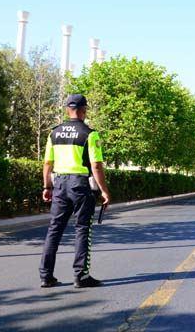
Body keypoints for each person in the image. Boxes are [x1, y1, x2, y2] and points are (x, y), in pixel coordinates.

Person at [39, 94, 111, 288]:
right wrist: (104, 191)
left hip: (60, 184)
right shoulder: (89, 134)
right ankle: (81, 276)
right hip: (80, 185)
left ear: (67, 109)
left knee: (54, 229)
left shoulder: (54, 133)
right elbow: (96, 166)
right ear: (84, 110)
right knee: (82, 229)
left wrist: (47, 186)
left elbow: (47, 163)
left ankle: (46, 276)